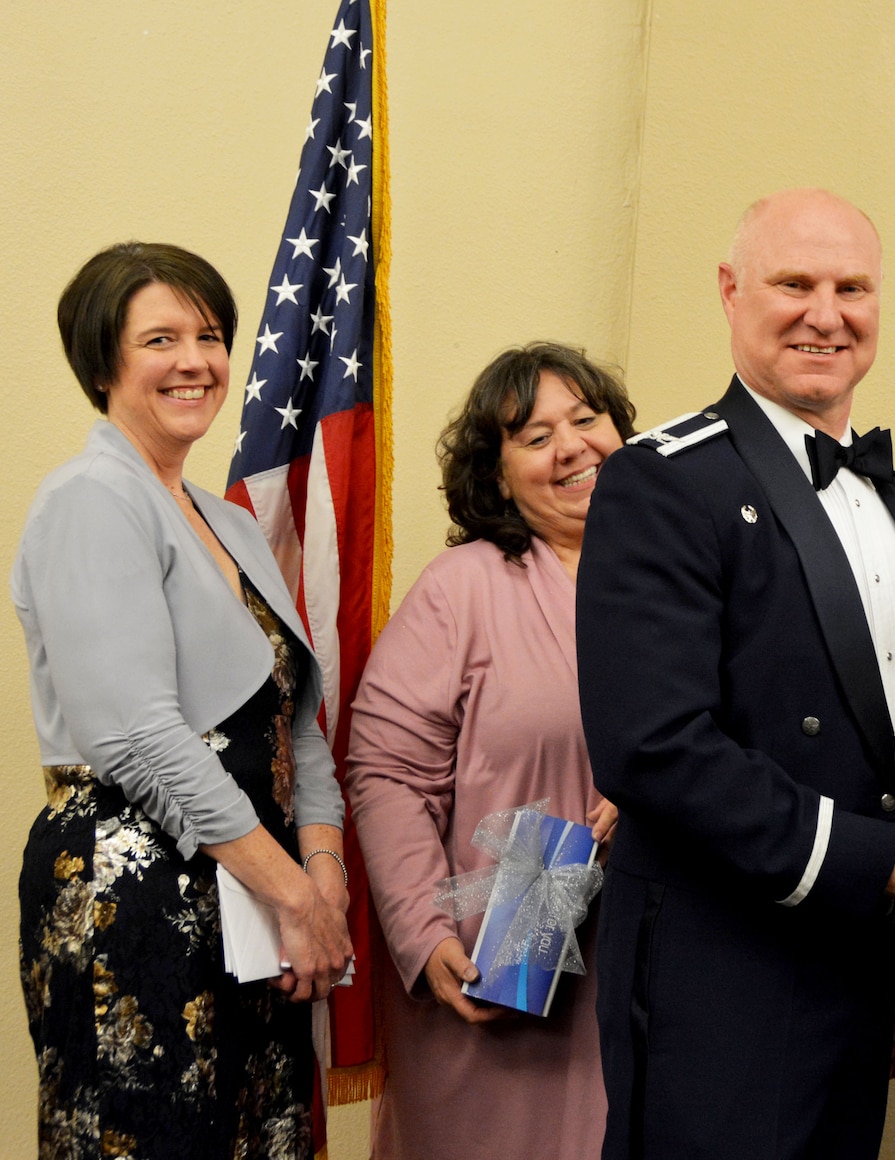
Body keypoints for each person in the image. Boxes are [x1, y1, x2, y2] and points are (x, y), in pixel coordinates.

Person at [576, 188, 895, 1159]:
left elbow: (894, 760)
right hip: (719, 971)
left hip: (855, 965)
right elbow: (652, 746)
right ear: (730, 292)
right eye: (794, 282)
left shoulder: (891, 502)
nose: (826, 312)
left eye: (851, 286)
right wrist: (884, 864)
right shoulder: (662, 481)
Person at [14, 242, 352, 1158]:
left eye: (209, 334)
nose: (195, 360)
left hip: (256, 902)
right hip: (139, 897)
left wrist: (322, 878)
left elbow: (297, 730)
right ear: (101, 362)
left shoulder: (229, 518)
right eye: (159, 338)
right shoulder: (90, 498)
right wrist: (291, 891)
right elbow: (135, 735)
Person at [344, 342, 634, 1159]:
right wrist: (424, 931)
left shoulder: (681, 577)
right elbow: (386, 771)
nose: (572, 446)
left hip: (650, 966)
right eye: (535, 437)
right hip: (496, 965)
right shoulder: (461, 587)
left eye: (587, 420)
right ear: (498, 475)